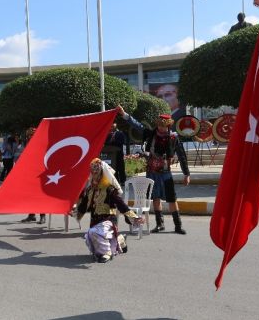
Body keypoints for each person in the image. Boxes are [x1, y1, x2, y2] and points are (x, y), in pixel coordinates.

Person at [117, 106, 191, 234]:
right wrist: (124, 114)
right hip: (152, 171)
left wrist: (186, 174)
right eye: (160, 125)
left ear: (168, 125)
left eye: (164, 126)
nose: (161, 128)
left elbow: (182, 155)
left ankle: (178, 225)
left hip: (166, 172)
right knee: (155, 197)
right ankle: (159, 224)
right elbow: (137, 125)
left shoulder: (173, 138)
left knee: (172, 198)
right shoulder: (151, 133)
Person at [73, 159, 143, 263]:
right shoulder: (90, 189)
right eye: (92, 171)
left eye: (96, 171)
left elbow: (121, 204)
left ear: (102, 172)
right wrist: (74, 212)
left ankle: (107, 253)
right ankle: (120, 240)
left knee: (93, 233)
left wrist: (133, 217)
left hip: (108, 220)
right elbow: (84, 205)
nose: (94, 174)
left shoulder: (109, 188)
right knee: (90, 238)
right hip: (95, 221)